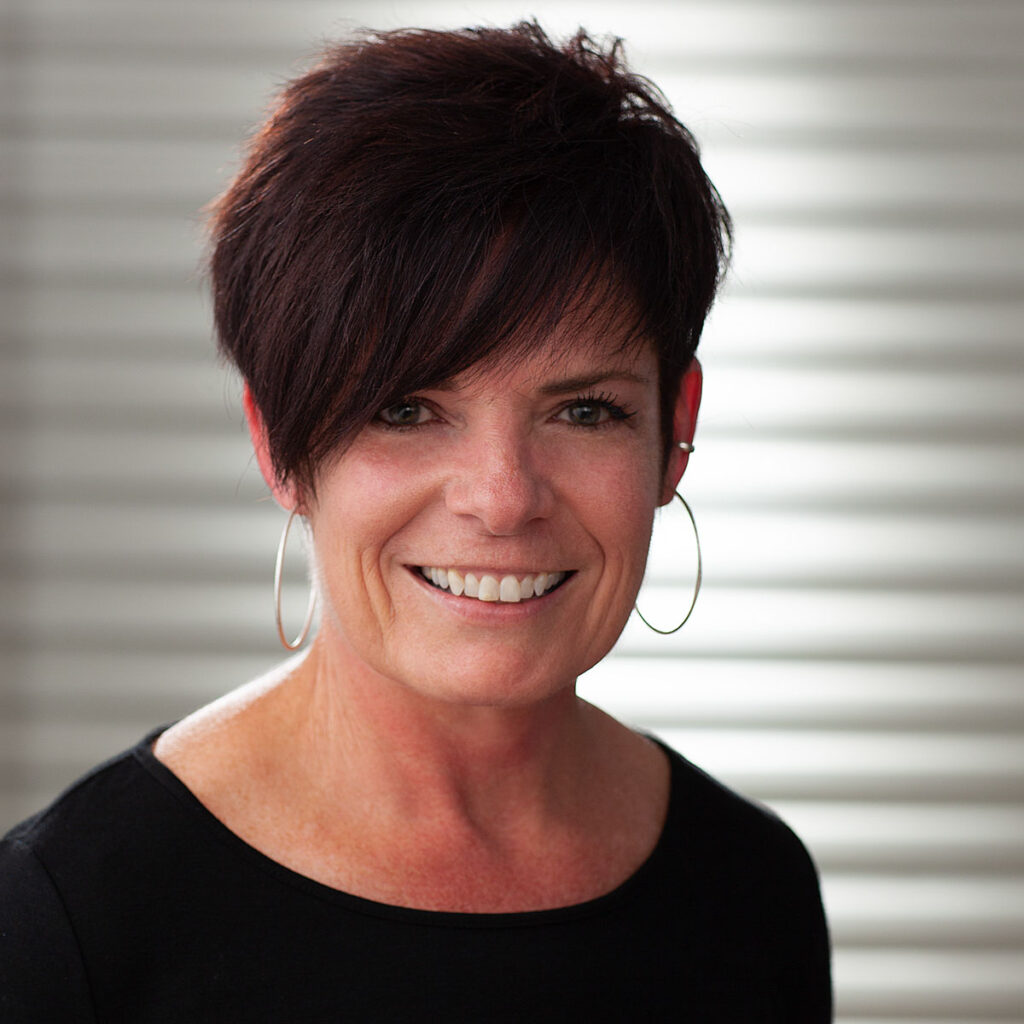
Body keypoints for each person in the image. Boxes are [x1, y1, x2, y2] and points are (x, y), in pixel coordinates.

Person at [0, 22, 831, 1021]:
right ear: (278, 444)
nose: (502, 496)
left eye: (582, 411)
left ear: (674, 430)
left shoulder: (751, 888)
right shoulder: (66, 922)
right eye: (405, 408)